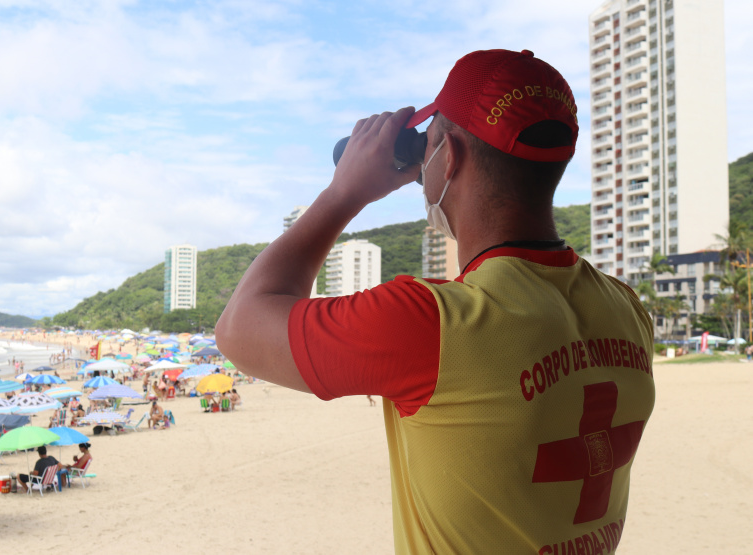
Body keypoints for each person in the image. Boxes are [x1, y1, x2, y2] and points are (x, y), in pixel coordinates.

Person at [215, 49, 656, 552]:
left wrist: (345, 192)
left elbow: (238, 326)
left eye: (428, 144)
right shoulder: (626, 309)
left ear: (450, 155)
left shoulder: (432, 324)